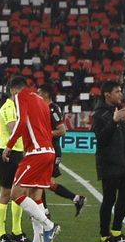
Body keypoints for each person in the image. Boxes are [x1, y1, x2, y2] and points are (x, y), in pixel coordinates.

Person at [6, 77, 61, 242]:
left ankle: (49, 226)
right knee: (35, 196)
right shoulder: (41, 100)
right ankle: (38, 241)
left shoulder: (21, 96)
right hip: (48, 152)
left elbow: (21, 122)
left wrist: (9, 145)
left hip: (36, 153)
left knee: (15, 194)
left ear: (14, 90)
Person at [91, 81, 125, 242]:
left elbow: (124, 137)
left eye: (120, 91)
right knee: (109, 199)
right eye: (117, 91)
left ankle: (116, 232)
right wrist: (115, 120)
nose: (120, 94)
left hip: (124, 162)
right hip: (109, 163)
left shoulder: (120, 111)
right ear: (107, 94)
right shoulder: (99, 114)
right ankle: (104, 235)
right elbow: (101, 139)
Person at [38, 84, 88, 216]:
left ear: (46, 94)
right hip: (46, 151)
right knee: (45, 182)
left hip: (52, 151)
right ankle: (76, 199)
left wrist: (45, 134)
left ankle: (45, 212)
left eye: (39, 92)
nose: (37, 95)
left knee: (41, 182)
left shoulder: (52, 108)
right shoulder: (44, 108)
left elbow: (62, 130)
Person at [0, 79, 29, 242]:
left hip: (18, 152)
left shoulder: (17, 107)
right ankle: (1, 234)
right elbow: (14, 128)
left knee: (19, 192)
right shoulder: (8, 107)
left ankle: (16, 231)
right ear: (14, 91)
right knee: (6, 193)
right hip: (8, 153)